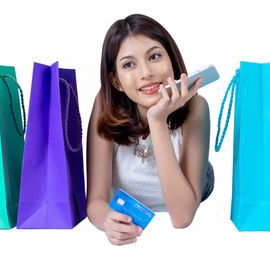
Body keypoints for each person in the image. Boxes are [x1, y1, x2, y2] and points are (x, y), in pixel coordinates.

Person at [86, 14, 214, 246]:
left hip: (193, 182)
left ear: (172, 62)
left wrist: (157, 121)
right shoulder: (105, 103)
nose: (146, 72)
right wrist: (108, 221)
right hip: (129, 191)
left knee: (198, 179)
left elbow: (182, 217)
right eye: (128, 64)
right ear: (116, 82)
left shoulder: (197, 106)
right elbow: (96, 199)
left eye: (154, 56)